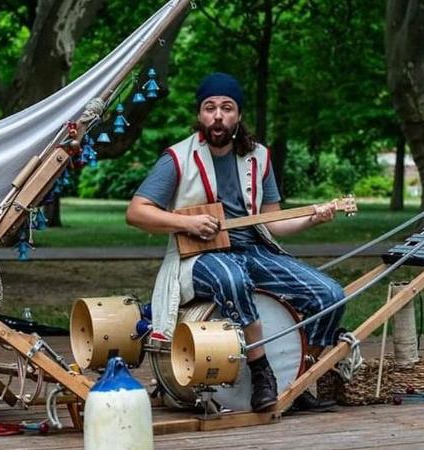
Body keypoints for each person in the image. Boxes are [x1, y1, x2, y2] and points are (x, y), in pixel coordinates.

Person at [126, 72, 345, 412]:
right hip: (198, 258)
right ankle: (262, 372)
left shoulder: (259, 157)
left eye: (226, 108)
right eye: (209, 107)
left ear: (238, 115)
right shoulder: (177, 158)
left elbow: (273, 222)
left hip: (253, 249)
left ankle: (299, 378)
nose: (218, 115)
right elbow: (137, 212)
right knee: (232, 278)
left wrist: (313, 217)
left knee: (328, 295)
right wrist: (186, 222)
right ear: (200, 115)